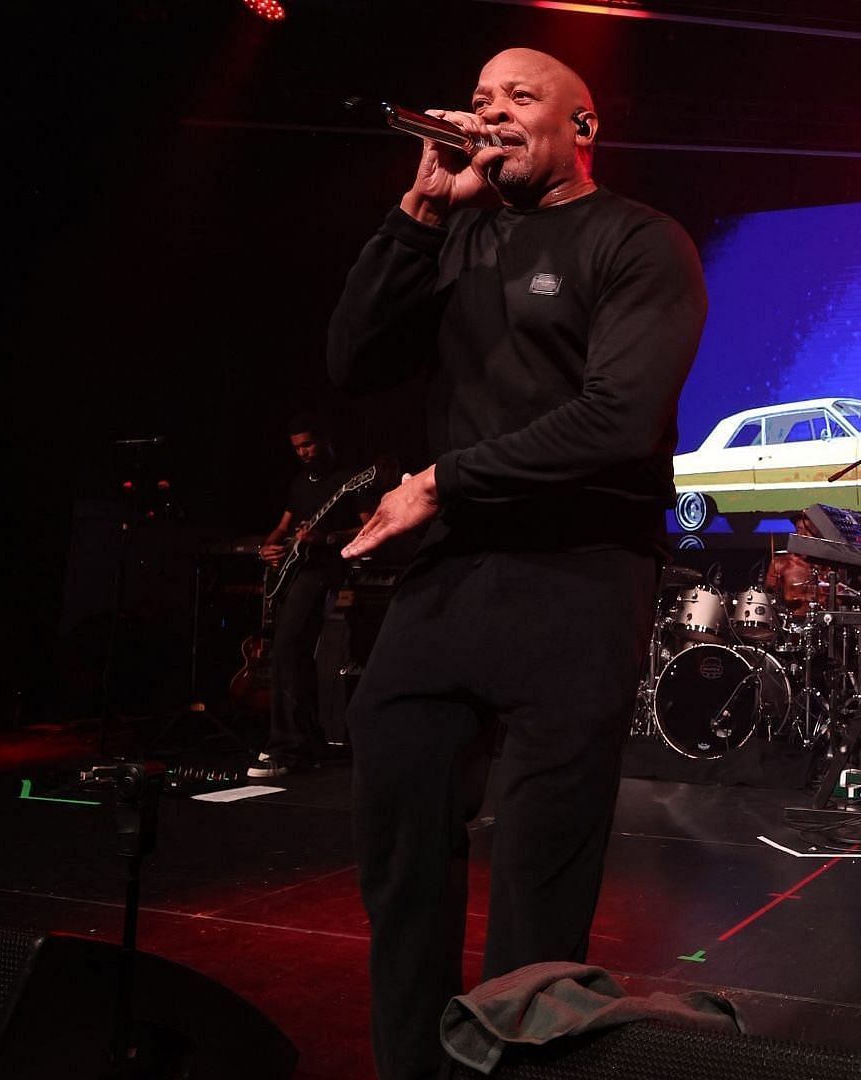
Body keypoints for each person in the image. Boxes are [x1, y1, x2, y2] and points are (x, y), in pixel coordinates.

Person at [325, 47, 707, 1080]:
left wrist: (443, 481)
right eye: (479, 100)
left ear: (582, 128)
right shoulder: (458, 236)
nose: (489, 115)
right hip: (449, 580)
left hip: (579, 578)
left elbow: (619, 419)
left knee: (539, 884)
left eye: (518, 99)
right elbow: (353, 360)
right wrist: (418, 216)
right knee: (401, 854)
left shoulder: (638, 240)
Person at [251, 416, 372, 779]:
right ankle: (309, 744)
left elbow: (369, 526)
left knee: (288, 649)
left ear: (325, 440)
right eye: (297, 447)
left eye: (308, 444)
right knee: (293, 656)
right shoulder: (300, 483)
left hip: (324, 571)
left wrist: (327, 539)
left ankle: (284, 749)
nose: (303, 452)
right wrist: (268, 548)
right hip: (293, 571)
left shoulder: (351, 480)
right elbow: (284, 527)